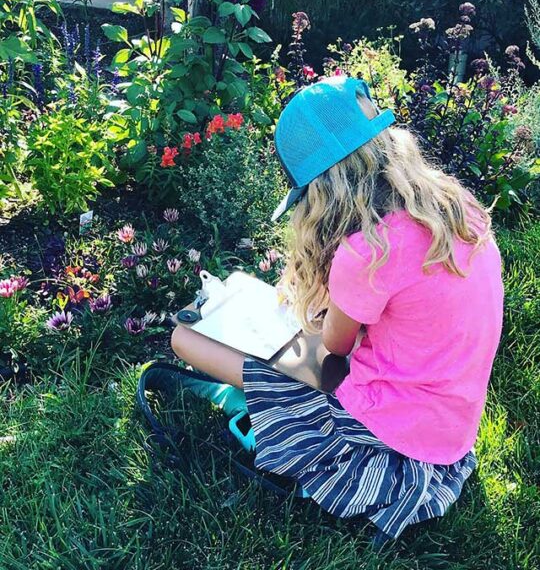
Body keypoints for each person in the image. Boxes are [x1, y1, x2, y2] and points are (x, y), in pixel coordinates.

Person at [171, 76, 504, 543]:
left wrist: (314, 310)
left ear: (321, 191)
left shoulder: (367, 251)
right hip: (450, 426)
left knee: (184, 339)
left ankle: (233, 365)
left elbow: (333, 349)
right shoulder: (457, 207)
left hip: (392, 440)